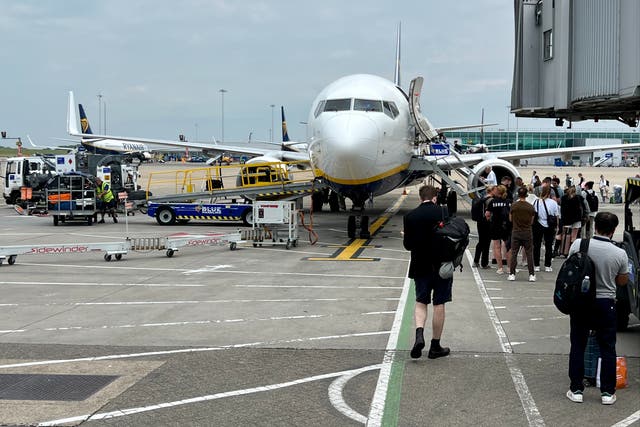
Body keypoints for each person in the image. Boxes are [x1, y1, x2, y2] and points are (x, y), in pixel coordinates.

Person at [566, 212, 628, 405]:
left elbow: (571, 267)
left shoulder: (579, 245)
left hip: (582, 301)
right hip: (605, 302)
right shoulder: (620, 253)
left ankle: (576, 389)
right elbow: (622, 280)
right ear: (614, 229)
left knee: (578, 344)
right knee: (607, 347)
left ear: (595, 226)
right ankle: (607, 393)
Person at [403, 185, 452, 360]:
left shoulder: (410, 216)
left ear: (420, 198)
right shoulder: (443, 212)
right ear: (434, 198)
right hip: (441, 266)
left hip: (420, 265)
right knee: (439, 303)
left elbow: (407, 245)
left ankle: (418, 334)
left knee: (420, 301)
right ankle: (435, 346)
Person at [508, 187, 536, 282]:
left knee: (514, 253)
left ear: (518, 195)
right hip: (527, 232)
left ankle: (512, 274)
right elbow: (532, 221)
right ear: (526, 195)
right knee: (529, 253)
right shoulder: (530, 207)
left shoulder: (514, 206)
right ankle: (531, 274)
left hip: (516, 231)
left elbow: (510, 219)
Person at [532, 186, 559, 272]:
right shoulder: (553, 203)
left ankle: (536, 265)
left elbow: (533, 214)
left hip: (538, 224)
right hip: (550, 225)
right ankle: (548, 265)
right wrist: (557, 226)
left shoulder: (536, 202)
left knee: (537, 245)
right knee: (549, 245)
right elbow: (556, 216)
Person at [486, 185, 511, 274]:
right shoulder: (509, 202)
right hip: (506, 226)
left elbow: (487, 214)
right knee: (508, 247)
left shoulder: (493, 202)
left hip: (495, 225)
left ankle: (500, 268)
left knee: (497, 246)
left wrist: (490, 220)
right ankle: (509, 267)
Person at [473, 185, 493, 269]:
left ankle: (476, 261)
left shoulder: (481, 199)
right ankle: (484, 263)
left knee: (481, 242)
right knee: (487, 242)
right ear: (491, 191)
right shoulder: (490, 200)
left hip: (479, 222)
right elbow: (488, 213)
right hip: (487, 222)